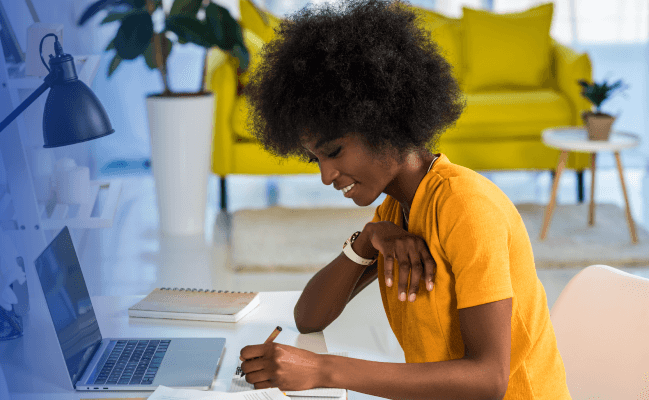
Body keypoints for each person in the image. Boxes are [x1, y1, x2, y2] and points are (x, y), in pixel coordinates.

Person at [237, 1, 572, 399]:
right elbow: (308, 318)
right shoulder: (397, 209)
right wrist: (369, 239)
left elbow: (489, 380)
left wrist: (325, 370)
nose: (326, 175)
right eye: (317, 159)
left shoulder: (465, 207)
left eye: (335, 151)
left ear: (384, 123)